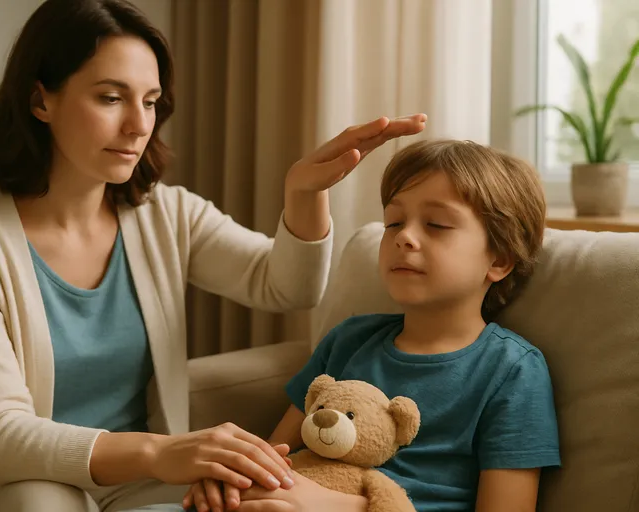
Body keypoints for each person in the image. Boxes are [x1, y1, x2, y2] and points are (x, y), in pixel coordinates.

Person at [0, 0, 426, 511]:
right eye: (111, 98)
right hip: (6, 488)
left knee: (264, 499)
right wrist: (161, 452)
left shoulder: (166, 213)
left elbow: (285, 287)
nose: (139, 125)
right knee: (43, 501)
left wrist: (304, 194)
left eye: (151, 101)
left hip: (137, 484)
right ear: (40, 101)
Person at [184, 139, 561, 512]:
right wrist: (230, 483)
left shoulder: (511, 371)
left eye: (436, 224)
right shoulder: (350, 340)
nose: (404, 237)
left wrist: (337, 505)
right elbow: (274, 457)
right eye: (393, 222)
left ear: (499, 259)